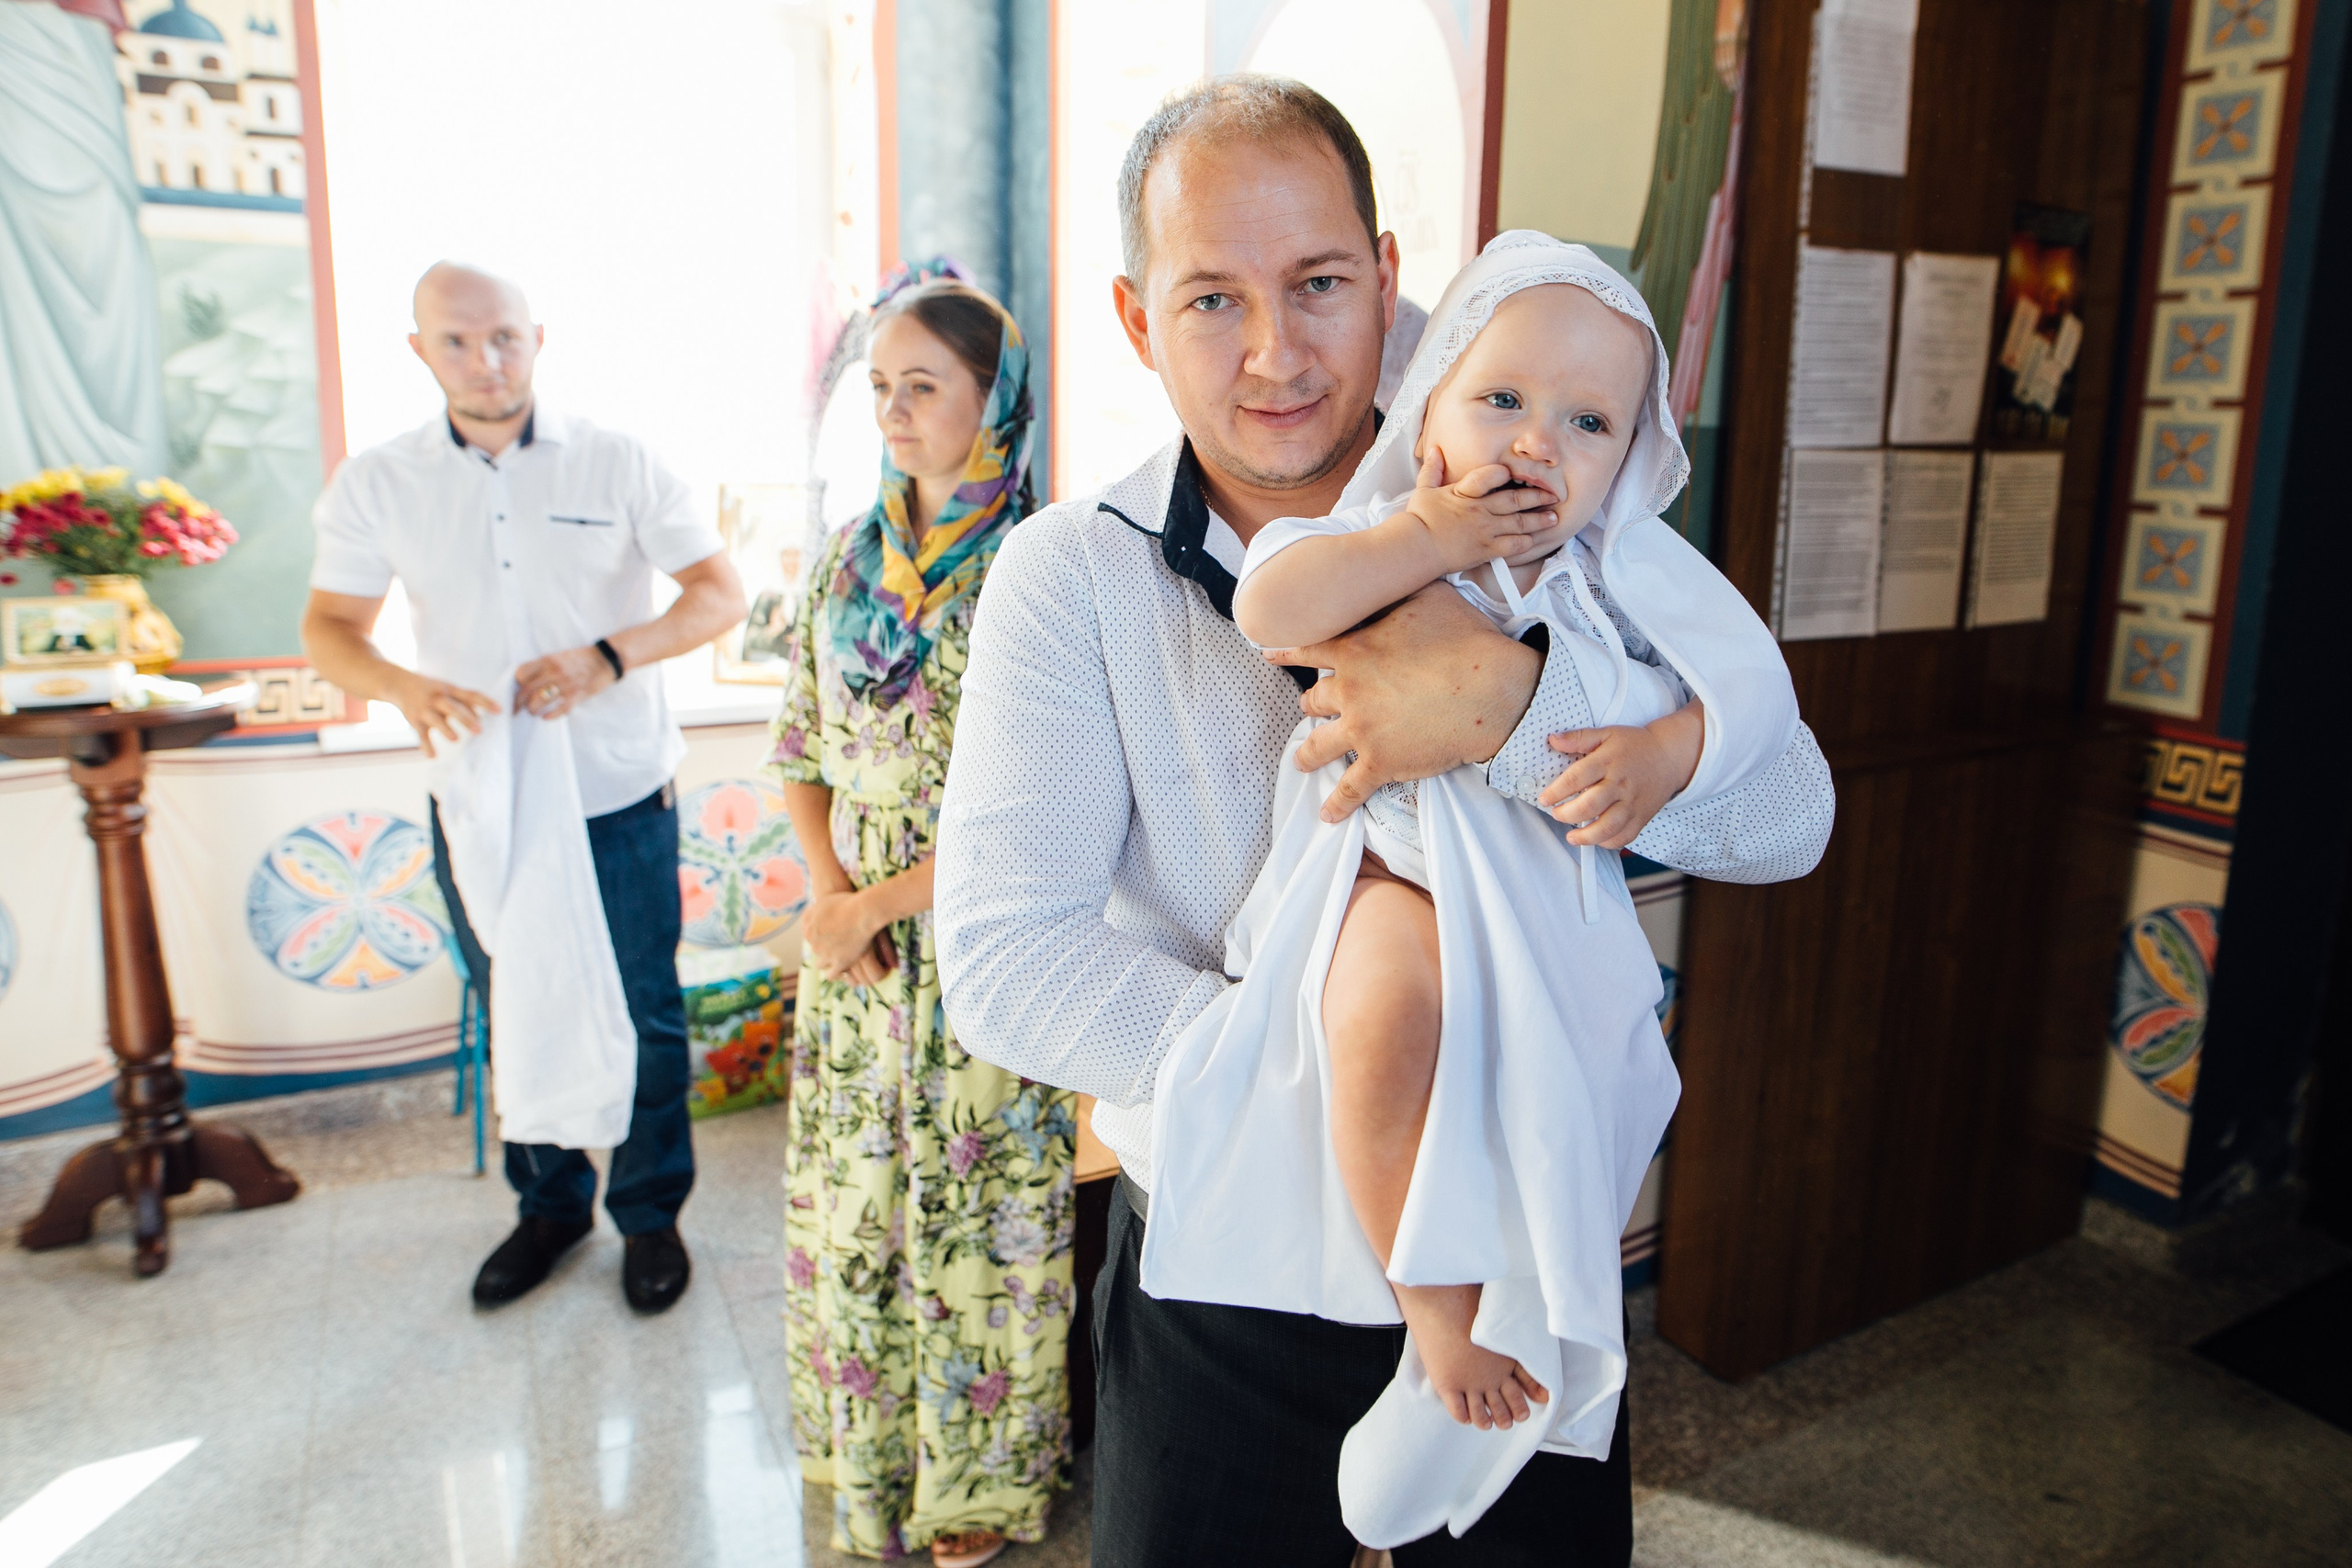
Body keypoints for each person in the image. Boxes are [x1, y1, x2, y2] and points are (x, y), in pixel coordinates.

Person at [934, 77, 1835, 1566]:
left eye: (1321, 284)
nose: (1277, 352)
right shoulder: (1066, 577)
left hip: (1511, 1224)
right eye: (1211, 297)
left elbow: (1789, 809)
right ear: (1136, 316)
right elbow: (1006, 957)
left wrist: (1507, 710)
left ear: (1390, 273)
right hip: (1220, 1247)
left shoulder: (1536, 460)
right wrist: (1315, 1068)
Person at [1147, 234, 1807, 1548]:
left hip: (1545, 898)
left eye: (1587, 419)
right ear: (1433, 397)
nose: (1534, 443)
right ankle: (1437, 1320)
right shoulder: (1386, 527)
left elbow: (1755, 702)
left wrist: (1664, 749)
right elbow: (1274, 600)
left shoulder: (1624, 574)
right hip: (1393, 864)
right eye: (1501, 398)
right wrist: (1425, 531)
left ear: (1632, 459)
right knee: (1382, 1019)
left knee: (1580, 1092)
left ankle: (1538, 1303)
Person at [300, 262, 746, 1314]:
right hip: (481, 798)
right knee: (513, 999)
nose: (484, 359)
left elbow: (719, 595)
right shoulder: (377, 481)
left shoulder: (618, 461)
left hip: (616, 790)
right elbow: (329, 631)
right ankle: (547, 1211)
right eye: (457, 342)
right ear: (419, 351)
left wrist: (608, 655)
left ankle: (650, 1218)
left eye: (503, 337)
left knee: (643, 1008)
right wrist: (402, 687)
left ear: (537, 337)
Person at [770, 268, 1075, 1568]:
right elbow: (799, 735)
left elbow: (1042, 796)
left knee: (975, 1209)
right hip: (857, 944)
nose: (893, 411)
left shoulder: (1044, 560)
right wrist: (832, 895)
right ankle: (870, 1450)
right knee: (856, 1200)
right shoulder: (848, 548)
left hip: (984, 933)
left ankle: (976, 1482)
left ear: (993, 399)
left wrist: (880, 900)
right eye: (880, 387)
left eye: (923, 386)